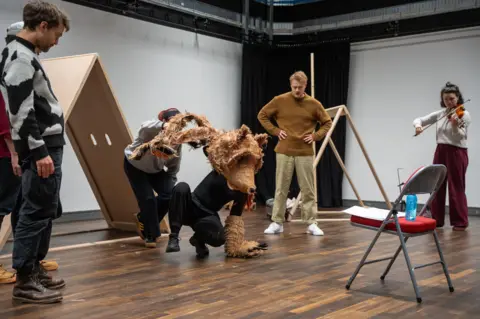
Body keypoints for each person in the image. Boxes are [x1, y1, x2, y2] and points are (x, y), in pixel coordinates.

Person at [0, 0, 70, 303]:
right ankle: (26, 280)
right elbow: (20, 112)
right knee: (34, 210)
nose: (55, 42)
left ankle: (35, 271)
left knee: (44, 210)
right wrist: (38, 151)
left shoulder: (26, 55)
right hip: (41, 146)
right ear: (42, 26)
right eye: (56, 35)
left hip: (46, 144)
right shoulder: (19, 57)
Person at [128, 112, 269, 258]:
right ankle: (174, 237)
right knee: (181, 187)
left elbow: (235, 218)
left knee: (219, 238)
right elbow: (208, 149)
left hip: (207, 215)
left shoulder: (242, 191)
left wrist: (237, 246)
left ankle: (198, 240)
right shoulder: (222, 169)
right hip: (190, 205)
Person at [258, 71, 332, 236]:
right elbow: (262, 115)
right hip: (284, 150)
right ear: (290, 85)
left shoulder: (313, 104)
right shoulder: (280, 100)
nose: (297, 90)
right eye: (294, 87)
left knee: (308, 189)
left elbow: (327, 122)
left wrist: (315, 136)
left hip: (304, 152)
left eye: (299, 87)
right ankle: (277, 222)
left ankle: (311, 223)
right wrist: (275, 131)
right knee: (281, 187)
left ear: (305, 86)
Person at [413, 82, 471, 231]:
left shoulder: (463, 114)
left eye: (451, 98)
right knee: (437, 185)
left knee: (456, 186)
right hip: (440, 150)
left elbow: (461, 136)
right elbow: (419, 119)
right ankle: (436, 219)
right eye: (446, 99)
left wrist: (454, 125)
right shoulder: (440, 114)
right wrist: (418, 126)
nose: (449, 102)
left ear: (457, 97)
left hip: (457, 152)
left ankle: (460, 222)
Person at [124, 108, 183, 250]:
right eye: (172, 123)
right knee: (148, 199)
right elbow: (144, 126)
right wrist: (163, 127)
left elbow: (174, 163)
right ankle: (150, 234)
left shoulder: (176, 140)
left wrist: (170, 183)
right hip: (135, 165)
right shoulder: (151, 130)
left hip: (155, 170)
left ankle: (143, 219)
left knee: (169, 195)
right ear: (164, 122)